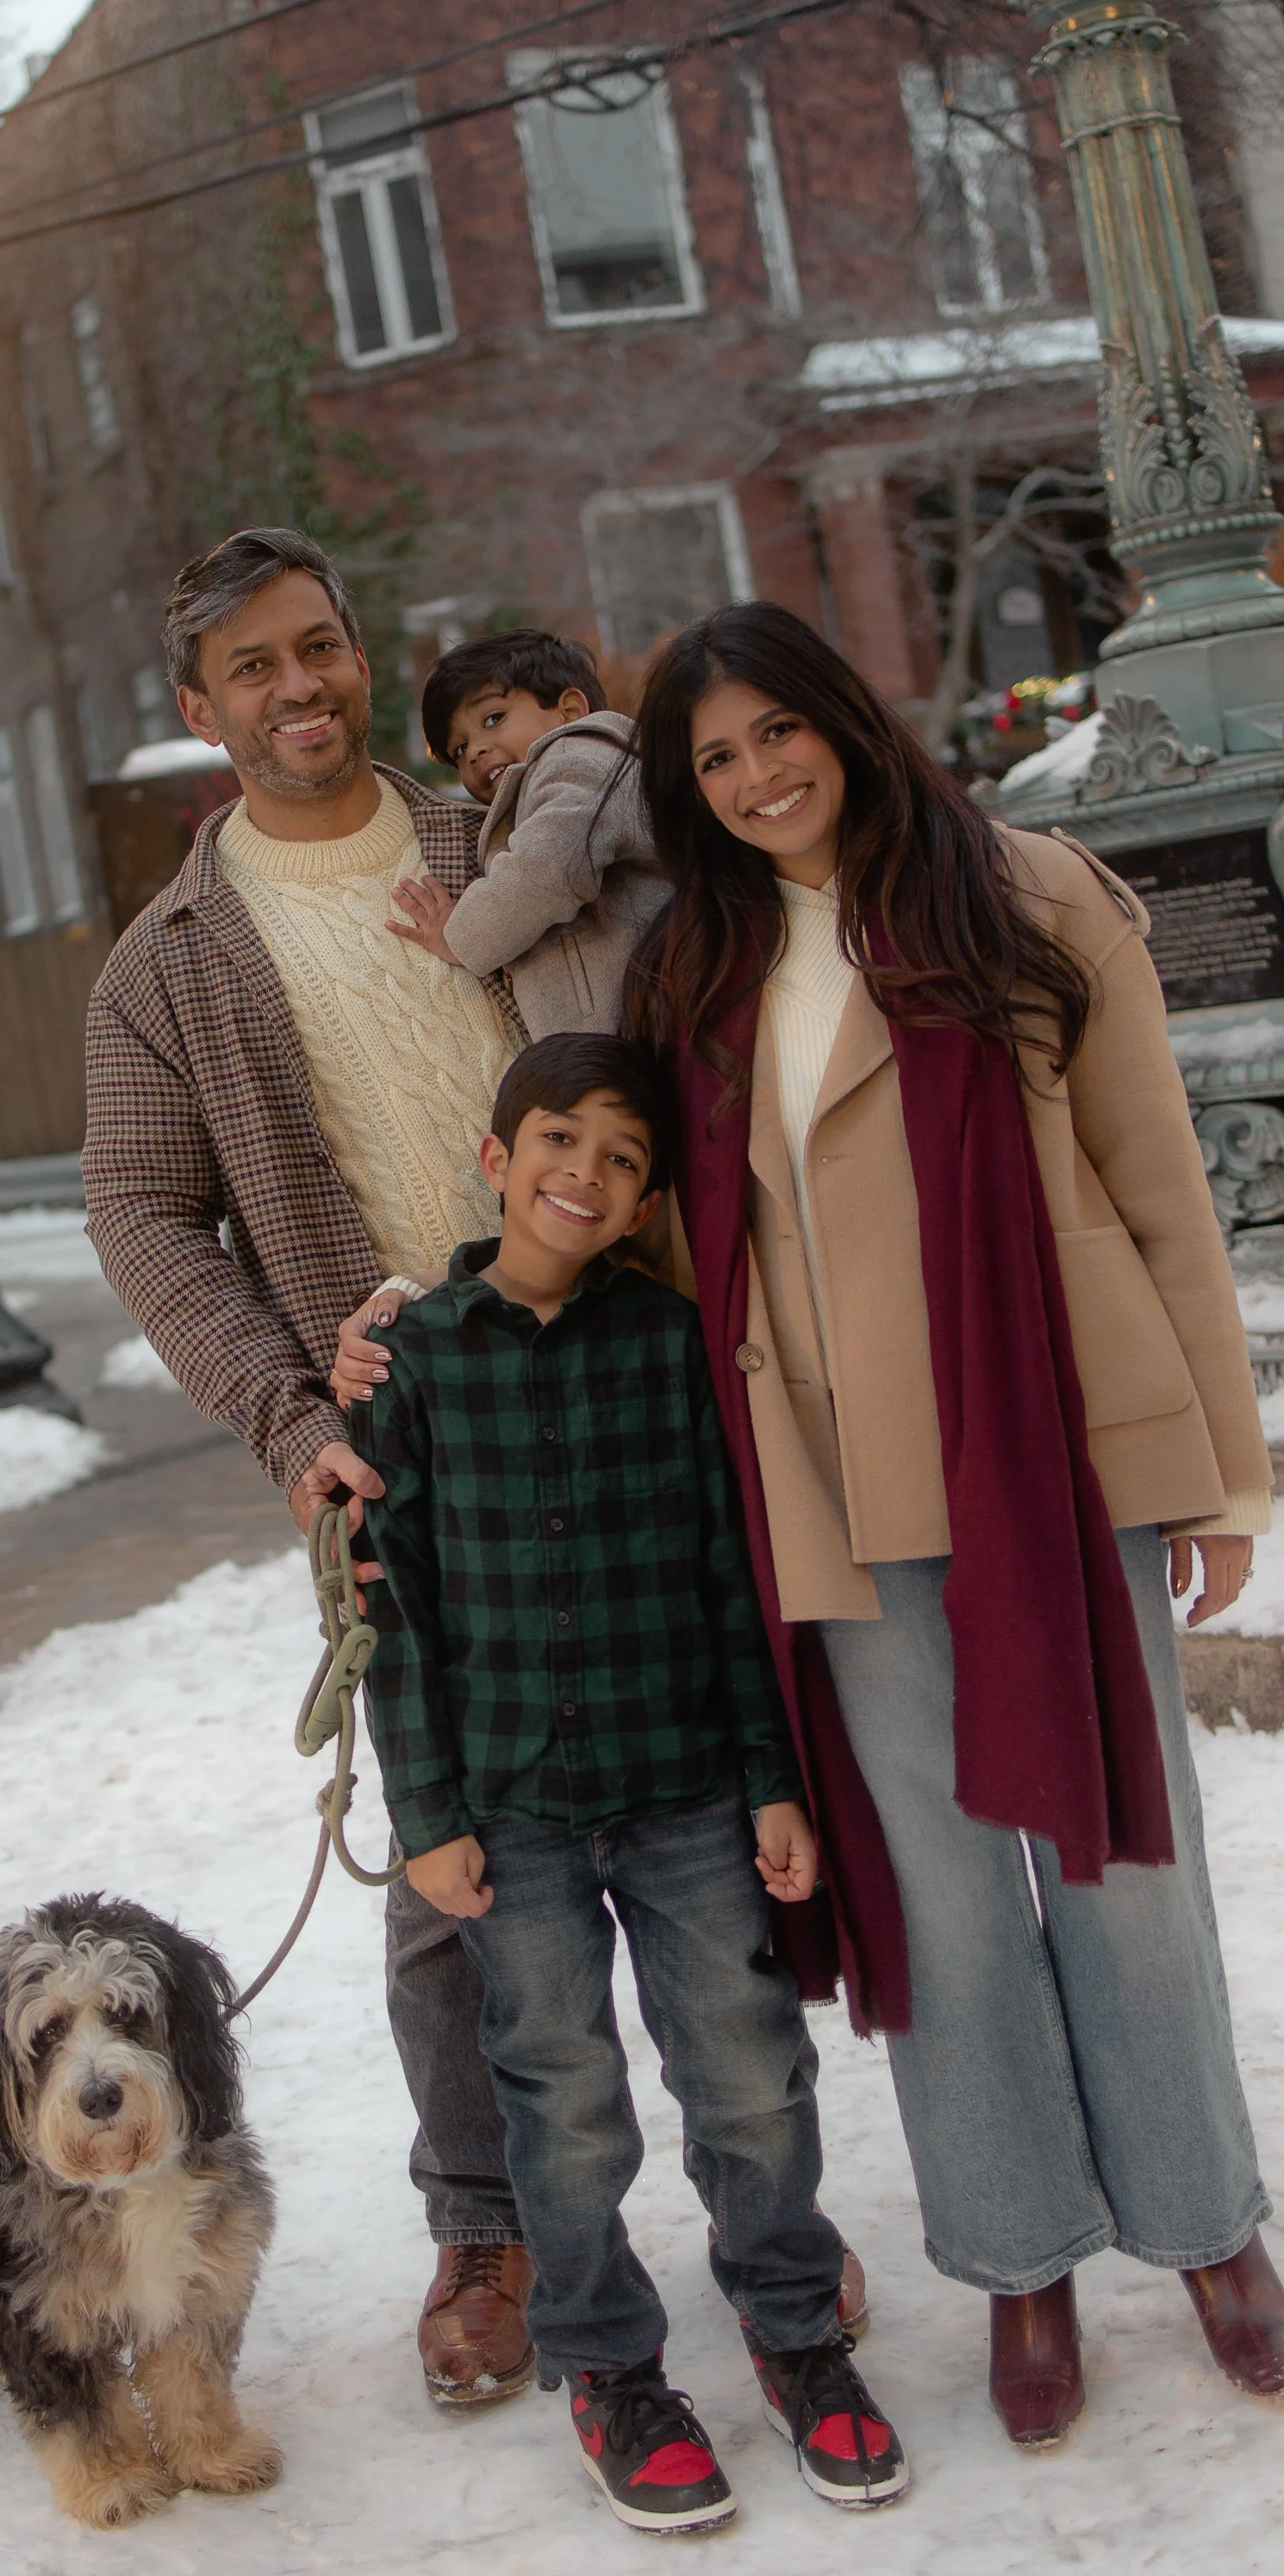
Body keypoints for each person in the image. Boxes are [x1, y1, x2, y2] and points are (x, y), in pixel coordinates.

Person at [620, 597, 1283, 2448]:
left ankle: (1207, 2226)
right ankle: (1019, 2254)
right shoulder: (697, 967)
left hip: (1049, 1459)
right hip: (834, 1496)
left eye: (777, 730)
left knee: (1124, 1865)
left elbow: (1157, 1186)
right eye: (715, 758)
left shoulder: (1026, 896)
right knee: (940, 1894)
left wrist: (1219, 1472)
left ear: (843, 716)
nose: (758, 776)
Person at [82, 527, 540, 2407]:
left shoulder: (503, 844)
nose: (301, 688)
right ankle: (485, 2229)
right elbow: (142, 1211)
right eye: (255, 668)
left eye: (320, 647)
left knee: (694, 1819)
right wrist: (292, 1421)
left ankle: (760, 2194)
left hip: (621, 1381)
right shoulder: (168, 966)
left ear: (362, 652)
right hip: (396, 1438)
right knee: (446, 1867)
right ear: (202, 710)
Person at [347, 1032, 908, 2532]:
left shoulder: (668, 1346)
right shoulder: (414, 1362)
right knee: (565, 2098)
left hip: (683, 1789)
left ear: (648, 1198)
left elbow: (732, 1580)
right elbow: (392, 1608)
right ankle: (608, 2366)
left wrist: (770, 1780)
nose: (583, 1174)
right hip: (512, 1810)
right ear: (497, 1159)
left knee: (747, 2074)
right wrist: (429, 1816)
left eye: (622, 1157)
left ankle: (796, 2331)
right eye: (557, 1141)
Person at [383, 628, 671, 1037]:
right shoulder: (545, 787)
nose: (475, 751)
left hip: (647, 1021)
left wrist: (460, 935)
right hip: (619, 1031)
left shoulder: (580, 758)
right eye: (459, 749)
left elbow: (552, 866)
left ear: (569, 710)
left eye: (493, 719)